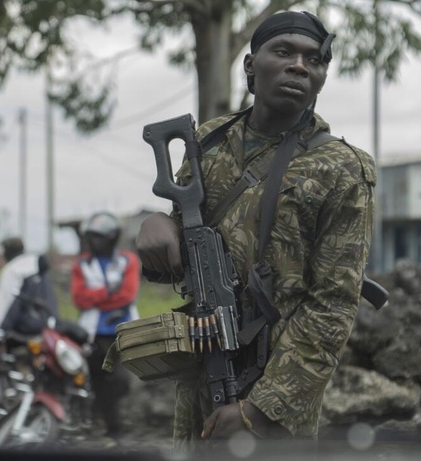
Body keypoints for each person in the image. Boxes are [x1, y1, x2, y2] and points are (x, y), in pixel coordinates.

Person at [137, 10, 376, 451]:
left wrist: (258, 410)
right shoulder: (204, 144)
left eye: (313, 60)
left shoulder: (342, 170)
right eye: (283, 52)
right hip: (204, 374)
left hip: (276, 410)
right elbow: (184, 248)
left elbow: (332, 308)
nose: (299, 66)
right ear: (251, 64)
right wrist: (155, 227)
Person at [71, 211, 141, 440]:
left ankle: (113, 421)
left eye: (99, 237)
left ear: (112, 237)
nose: (94, 241)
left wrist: (97, 297)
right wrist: (108, 293)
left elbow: (127, 295)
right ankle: (113, 428)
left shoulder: (128, 260)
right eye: (91, 236)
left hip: (123, 331)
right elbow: (79, 298)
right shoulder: (81, 264)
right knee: (99, 380)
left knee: (120, 381)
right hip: (93, 333)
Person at [0, 237, 58, 335]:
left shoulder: (11, 270)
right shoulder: (36, 265)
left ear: (8, 251)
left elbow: (3, 303)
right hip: (49, 326)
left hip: (22, 331)